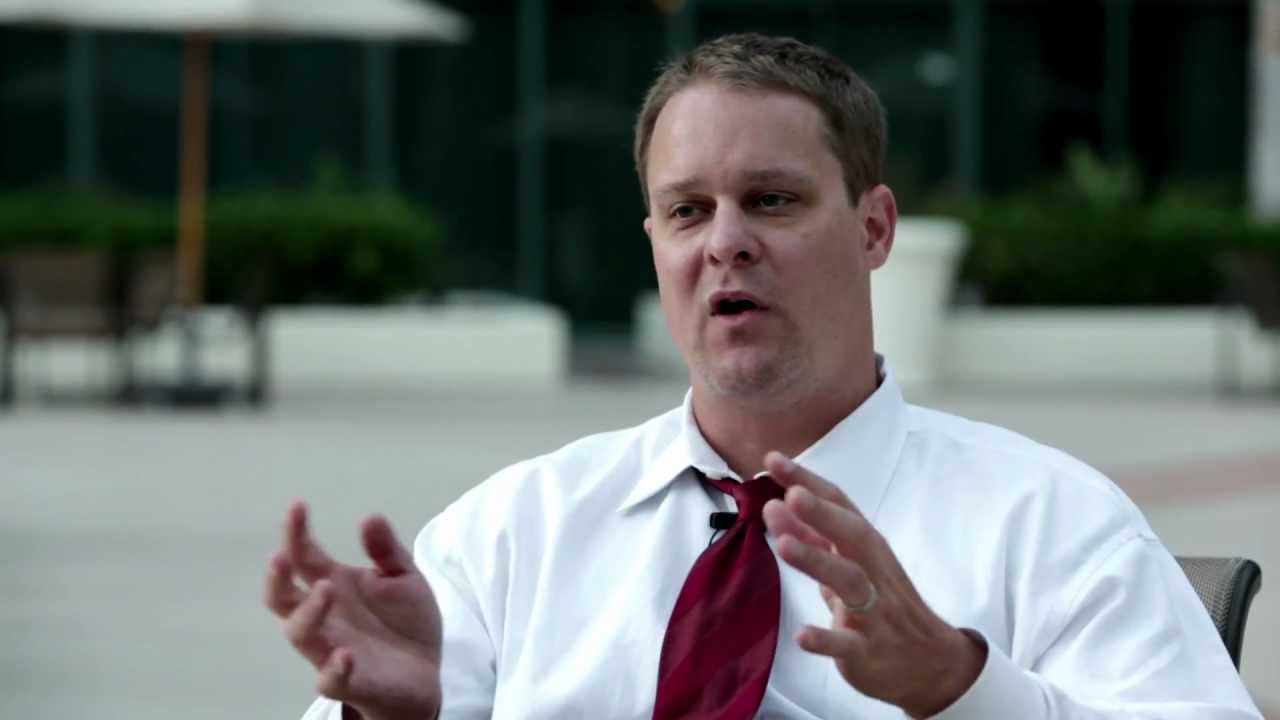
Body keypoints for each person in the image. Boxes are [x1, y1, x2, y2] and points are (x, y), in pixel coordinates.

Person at [265, 33, 1262, 720]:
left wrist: (960, 689)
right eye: (688, 211)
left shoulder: (1048, 522)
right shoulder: (512, 531)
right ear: (654, 243)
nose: (725, 243)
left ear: (873, 229)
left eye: (771, 200)